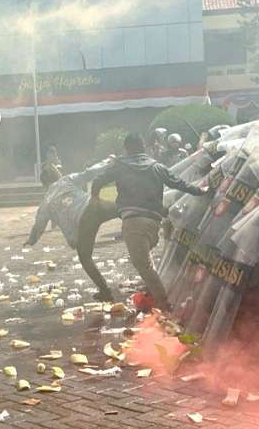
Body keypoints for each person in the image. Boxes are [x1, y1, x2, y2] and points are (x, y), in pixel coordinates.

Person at [90, 132, 207, 311]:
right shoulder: (156, 166)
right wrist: (201, 190)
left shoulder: (120, 167)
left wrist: (95, 199)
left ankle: (164, 306)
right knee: (146, 261)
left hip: (134, 223)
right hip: (153, 224)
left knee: (143, 265)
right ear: (143, 147)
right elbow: (179, 183)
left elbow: (98, 181)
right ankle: (152, 294)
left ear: (126, 149)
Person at [25, 158, 119, 300]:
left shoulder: (45, 202)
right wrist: (108, 162)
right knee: (124, 209)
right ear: (57, 176)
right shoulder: (66, 180)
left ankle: (105, 291)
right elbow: (89, 173)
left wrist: (31, 240)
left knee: (85, 258)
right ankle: (153, 212)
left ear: (44, 185)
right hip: (94, 205)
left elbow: (39, 226)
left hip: (84, 221)